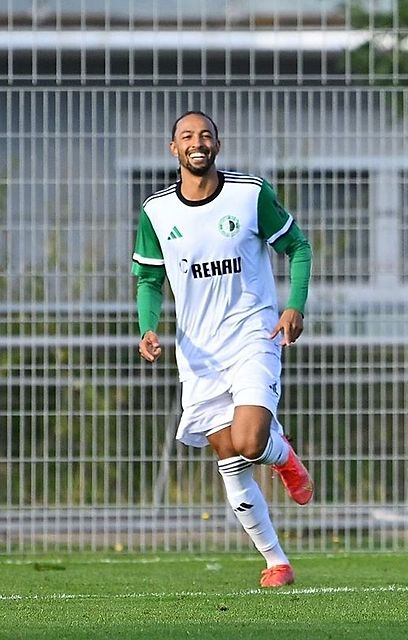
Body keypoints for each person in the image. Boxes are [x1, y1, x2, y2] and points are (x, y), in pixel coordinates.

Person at [132, 111, 314, 588]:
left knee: (250, 440)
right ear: (173, 148)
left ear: (218, 144)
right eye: (187, 136)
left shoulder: (249, 194)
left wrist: (294, 305)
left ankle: (281, 454)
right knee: (229, 456)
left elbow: (298, 247)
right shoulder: (156, 212)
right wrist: (147, 327)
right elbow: (150, 279)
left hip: (253, 334)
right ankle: (276, 561)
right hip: (198, 351)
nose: (198, 142)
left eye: (206, 135)